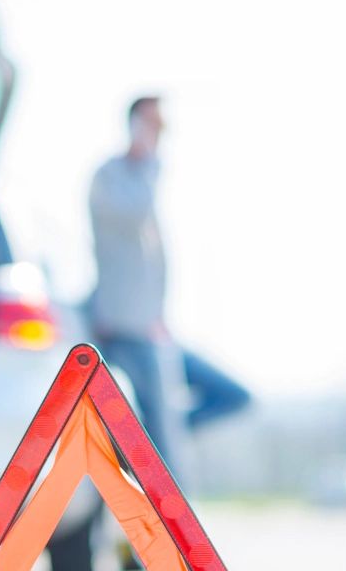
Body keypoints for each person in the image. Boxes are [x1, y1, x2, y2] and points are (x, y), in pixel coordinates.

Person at [88, 96, 249, 477]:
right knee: (167, 459)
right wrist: (147, 160)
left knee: (234, 396)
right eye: (151, 125)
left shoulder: (143, 179)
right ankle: (175, 529)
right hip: (125, 333)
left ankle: (142, 439)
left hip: (156, 332)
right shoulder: (112, 177)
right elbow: (134, 215)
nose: (157, 136)